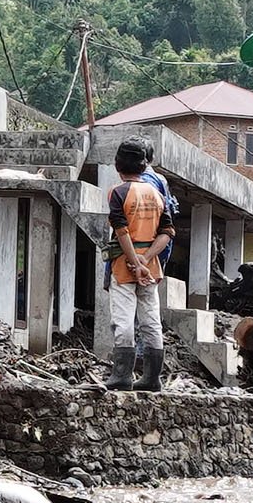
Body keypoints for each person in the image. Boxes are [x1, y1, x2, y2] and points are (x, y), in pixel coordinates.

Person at [104, 140, 178, 391]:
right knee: (151, 320)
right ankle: (152, 378)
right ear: (144, 165)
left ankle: (122, 375)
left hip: (124, 266)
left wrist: (135, 262)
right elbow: (167, 231)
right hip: (152, 267)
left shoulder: (117, 192)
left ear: (118, 166)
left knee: (123, 320)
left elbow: (121, 231)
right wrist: (146, 260)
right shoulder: (157, 194)